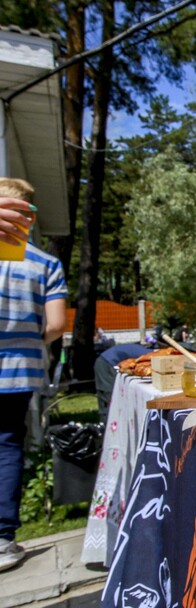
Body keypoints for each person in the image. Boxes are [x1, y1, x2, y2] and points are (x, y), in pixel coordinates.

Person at [0, 178, 67, 572]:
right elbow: (57, 324)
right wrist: (28, 338)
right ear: (29, 217)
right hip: (20, 368)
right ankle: (4, 538)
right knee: (8, 444)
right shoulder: (44, 264)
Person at [93, 342, 150, 424]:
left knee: (109, 396)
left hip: (105, 360)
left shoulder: (146, 352)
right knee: (110, 396)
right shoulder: (150, 356)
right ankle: (107, 426)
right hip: (107, 363)